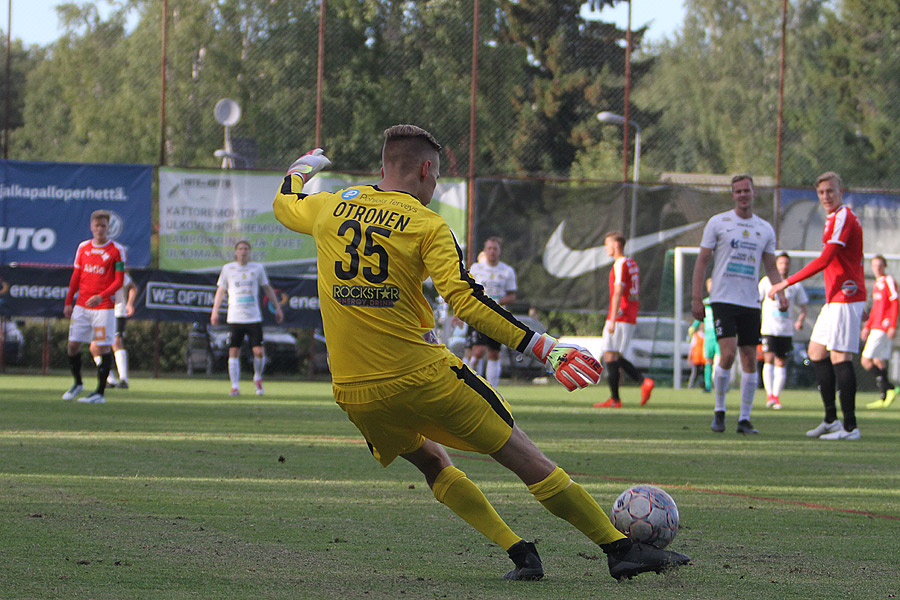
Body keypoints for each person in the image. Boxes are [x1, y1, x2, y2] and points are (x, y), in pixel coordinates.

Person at [272, 125, 690, 581]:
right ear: (426, 170)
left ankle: (520, 554)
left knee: (433, 464)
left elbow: (283, 205)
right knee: (523, 455)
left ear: (383, 167)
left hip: (354, 392)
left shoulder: (332, 206)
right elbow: (466, 299)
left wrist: (299, 171)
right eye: (435, 178)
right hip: (423, 377)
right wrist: (544, 347)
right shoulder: (426, 223)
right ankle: (619, 549)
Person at [769, 171, 866, 440]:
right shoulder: (833, 219)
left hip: (847, 298)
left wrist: (783, 283)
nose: (826, 196)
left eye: (830, 191)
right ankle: (831, 419)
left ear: (840, 191)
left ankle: (850, 427)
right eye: (821, 192)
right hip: (835, 298)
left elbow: (825, 260)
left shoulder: (844, 216)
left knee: (839, 357)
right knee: (816, 351)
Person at [691, 174, 786, 435]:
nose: (743, 195)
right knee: (728, 353)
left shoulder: (764, 228)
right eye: (738, 191)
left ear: (754, 193)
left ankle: (744, 419)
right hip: (722, 299)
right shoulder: (718, 223)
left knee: (749, 359)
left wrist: (781, 292)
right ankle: (719, 411)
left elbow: (770, 266)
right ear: (733, 195)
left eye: (747, 190)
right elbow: (702, 261)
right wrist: (696, 298)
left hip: (750, 302)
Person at [62, 210, 126, 404]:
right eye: (97, 226)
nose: (100, 229)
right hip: (81, 306)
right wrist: (68, 302)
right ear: (91, 227)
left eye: (103, 226)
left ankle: (99, 393)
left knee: (102, 346)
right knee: (73, 345)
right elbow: (76, 277)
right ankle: (78, 383)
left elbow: (119, 281)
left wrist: (102, 296)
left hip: (103, 307)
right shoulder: (83, 248)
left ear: (109, 228)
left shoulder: (116, 250)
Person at [210, 241, 284, 396]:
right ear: (236, 252)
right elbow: (221, 291)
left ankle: (257, 376)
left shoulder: (257, 268)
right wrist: (215, 311)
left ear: (250, 252)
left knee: (259, 352)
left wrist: (277, 307)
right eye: (240, 249)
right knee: (234, 351)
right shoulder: (228, 269)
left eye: (246, 249)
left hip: (253, 317)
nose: (243, 252)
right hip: (235, 317)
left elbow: (267, 288)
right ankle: (235, 386)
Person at [593, 231, 654, 408]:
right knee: (612, 355)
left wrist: (612, 318)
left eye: (607, 244)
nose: (606, 248)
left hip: (619, 315)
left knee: (611, 355)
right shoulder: (632, 263)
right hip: (629, 315)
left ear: (616, 245)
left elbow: (618, 290)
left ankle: (642, 381)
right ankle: (615, 399)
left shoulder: (620, 264)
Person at [464, 237, 517, 388]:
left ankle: (492, 389)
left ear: (499, 251)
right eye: (489, 248)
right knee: (478, 350)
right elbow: (467, 290)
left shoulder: (507, 271)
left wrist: (498, 301)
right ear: (484, 250)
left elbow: (512, 295)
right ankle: (474, 384)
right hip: (479, 314)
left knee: (493, 353)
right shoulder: (476, 268)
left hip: (497, 316)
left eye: (495, 249)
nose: (492, 252)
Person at [757, 252, 808, 410]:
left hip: (786, 330)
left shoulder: (795, 284)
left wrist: (800, 320)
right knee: (769, 358)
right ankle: (769, 395)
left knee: (781, 362)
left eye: (786, 264)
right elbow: (757, 301)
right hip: (769, 328)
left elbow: (804, 305)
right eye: (781, 263)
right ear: (776, 265)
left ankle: (777, 396)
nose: (784, 266)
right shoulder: (766, 282)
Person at [861, 255, 899, 409]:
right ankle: (884, 397)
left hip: (883, 327)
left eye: (880, 265)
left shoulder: (888, 280)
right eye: (874, 265)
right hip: (875, 326)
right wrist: (867, 325)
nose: (877, 268)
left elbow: (895, 302)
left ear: (885, 266)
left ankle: (890, 387)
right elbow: (876, 309)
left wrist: (893, 325)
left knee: (866, 361)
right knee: (879, 361)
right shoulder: (877, 283)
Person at [90, 272, 138, 389]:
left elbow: (133, 287)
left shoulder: (118, 273)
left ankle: (123, 380)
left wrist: (129, 304)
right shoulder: (96, 273)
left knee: (116, 342)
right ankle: (110, 379)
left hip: (117, 312)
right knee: (94, 347)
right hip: (102, 313)